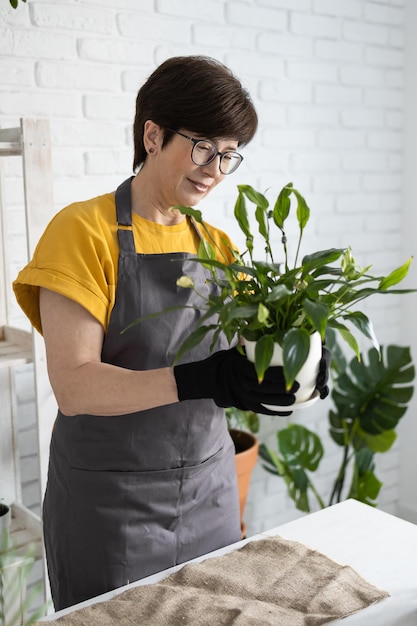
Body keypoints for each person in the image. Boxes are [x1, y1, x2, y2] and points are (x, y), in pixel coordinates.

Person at [13, 56, 329, 611]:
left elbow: (244, 360)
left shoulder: (219, 248)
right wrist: (202, 378)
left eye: (228, 154)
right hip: (111, 509)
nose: (214, 168)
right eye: (202, 145)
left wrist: (297, 367)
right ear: (152, 135)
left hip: (209, 493)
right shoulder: (81, 232)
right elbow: (75, 385)